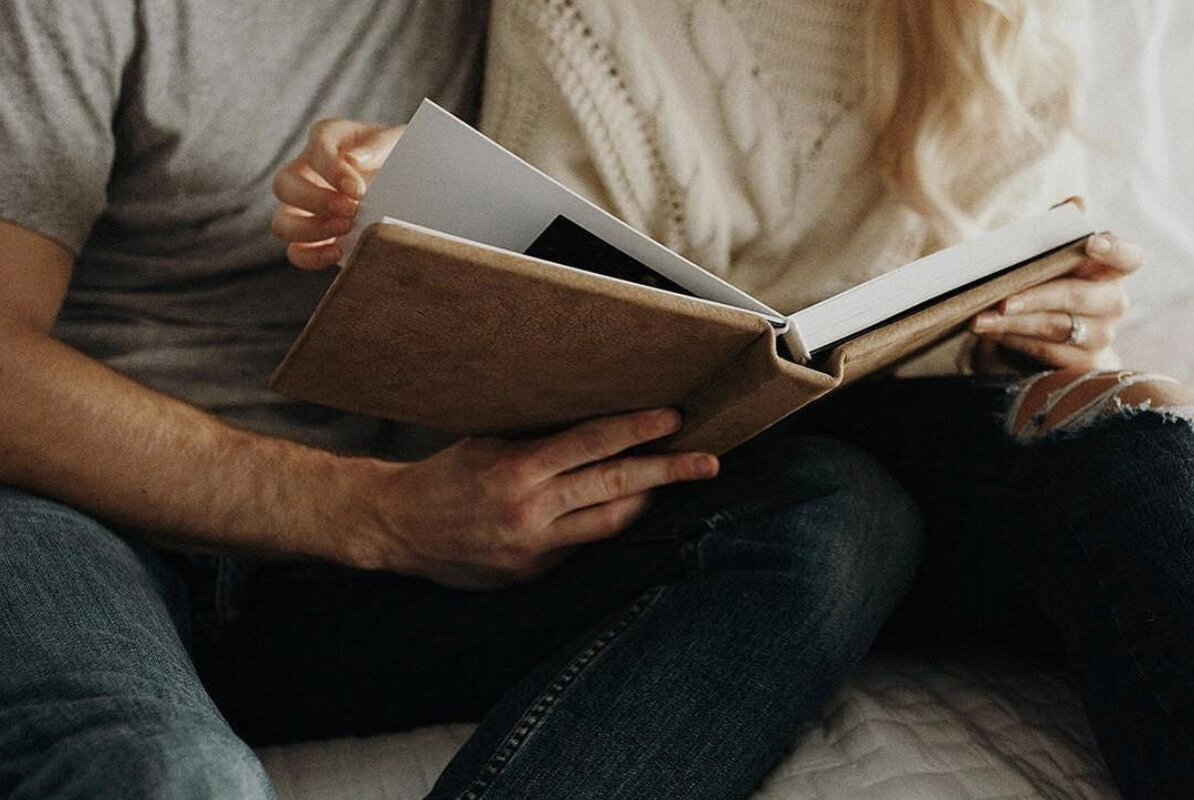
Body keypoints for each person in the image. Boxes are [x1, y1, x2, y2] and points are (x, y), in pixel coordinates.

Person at [271, 1, 1194, 799]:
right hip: (687, 453)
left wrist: (1061, 325)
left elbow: (1004, 344)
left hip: (920, 433)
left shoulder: (1001, 21)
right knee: (827, 505)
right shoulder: (583, 21)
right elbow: (543, 319)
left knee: (1134, 427)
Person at [2, 3, 921, 800]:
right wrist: (381, 515)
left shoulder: (567, 30)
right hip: (83, 525)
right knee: (174, 782)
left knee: (827, 514)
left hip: (361, 573)